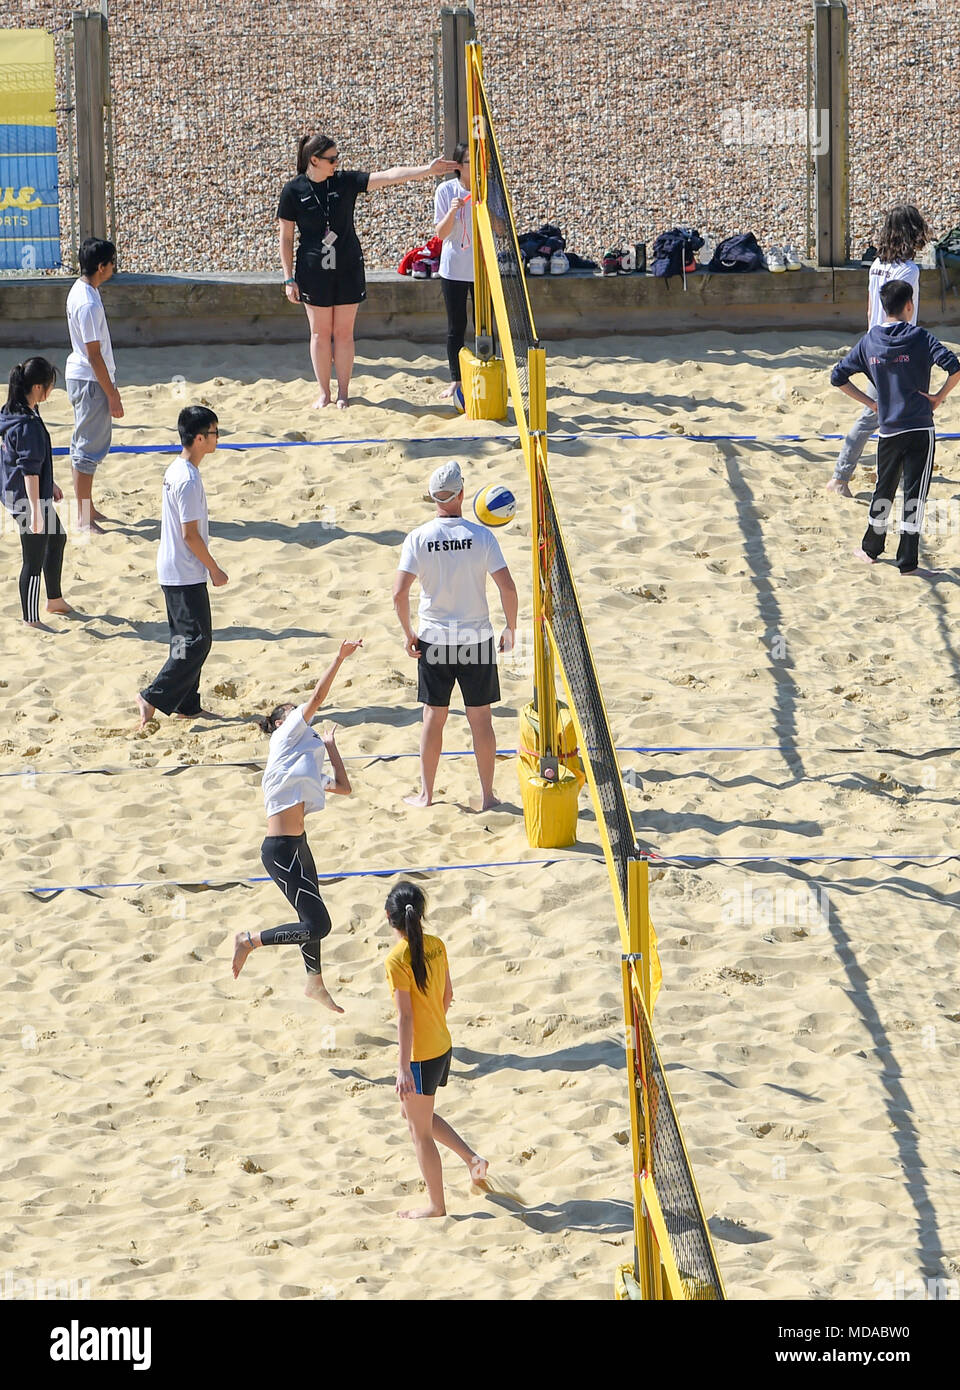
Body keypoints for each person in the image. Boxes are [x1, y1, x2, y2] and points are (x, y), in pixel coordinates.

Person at [277, 131, 457, 409]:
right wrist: (288, 278)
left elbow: (388, 176)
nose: (337, 162)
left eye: (338, 157)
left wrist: (427, 170)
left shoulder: (345, 182)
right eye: (332, 158)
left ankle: (343, 394)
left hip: (347, 266)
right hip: (312, 269)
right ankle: (324, 392)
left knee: (344, 333)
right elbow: (286, 237)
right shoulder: (293, 190)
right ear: (314, 160)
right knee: (319, 333)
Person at [231, 640, 362, 1012]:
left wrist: (333, 745)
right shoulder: (284, 739)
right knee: (319, 925)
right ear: (277, 723)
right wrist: (339, 659)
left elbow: (343, 787)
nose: (298, 713)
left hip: (298, 845)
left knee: (311, 919)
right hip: (280, 851)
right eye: (290, 711)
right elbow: (318, 697)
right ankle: (249, 940)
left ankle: (314, 982)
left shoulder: (302, 761)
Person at [393, 461, 517, 811]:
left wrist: (408, 633)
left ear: (433, 497)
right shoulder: (482, 536)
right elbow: (508, 588)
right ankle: (489, 796)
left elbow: (398, 594)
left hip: (435, 639)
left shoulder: (418, 538)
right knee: (481, 720)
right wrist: (511, 627)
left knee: (434, 718)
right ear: (463, 494)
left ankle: (427, 795)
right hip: (475, 638)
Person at [830, 278, 960, 574]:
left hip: (888, 428)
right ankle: (907, 562)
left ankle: (870, 549)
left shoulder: (870, 341)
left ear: (881, 306)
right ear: (909, 306)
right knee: (915, 494)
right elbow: (954, 367)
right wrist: (939, 397)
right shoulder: (920, 337)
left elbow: (837, 377)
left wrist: (872, 403)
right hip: (919, 427)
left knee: (883, 489)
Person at [383, 880, 488, 1218]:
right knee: (414, 1115)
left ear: (389, 917)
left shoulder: (396, 959)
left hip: (420, 1056)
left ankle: (436, 1206)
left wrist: (402, 1068)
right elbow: (447, 997)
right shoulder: (437, 945)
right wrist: (434, 1027)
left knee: (419, 1132)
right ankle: (473, 1160)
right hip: (443, 1046)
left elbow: (405, 1017)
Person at [827, 204, 931, 498]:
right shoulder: (908, 270)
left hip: (875, 341)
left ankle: (886, 471)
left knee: (888, 412)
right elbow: (903, 312)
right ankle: (839, 477)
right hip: (897, 347)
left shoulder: (875, 264)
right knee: (874, 414)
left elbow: (872, 309)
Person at [136, 406, 227, 728]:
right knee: (198, 640)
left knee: (183, 639)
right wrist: (214, 569)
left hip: (175, 567)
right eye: (214, 433)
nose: (218, 438)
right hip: (184, 569)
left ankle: (188, 704)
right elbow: (190, 535)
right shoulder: (187, 479)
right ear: (200, 438)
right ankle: (153, 695)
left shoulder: (179, 469)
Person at [0, 358, 70, 628]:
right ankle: (31, 618)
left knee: (58, 538)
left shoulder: (15, 409)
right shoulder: (27, 424)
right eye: (51, 385)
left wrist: (48, 484)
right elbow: (29, 470)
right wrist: (36, 513)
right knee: (33, 558)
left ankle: (54, 600)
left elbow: (24, 460)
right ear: (39, 387)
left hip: (27, 493)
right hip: (26, 500)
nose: (53, 390)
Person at [65, 237, 124, 531]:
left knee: (83, 447)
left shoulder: (83, 289)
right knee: (87, 451)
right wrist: (111, 393)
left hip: (84, 376)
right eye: (112, 262)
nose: (114, 267)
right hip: (89, 380)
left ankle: (87, 509)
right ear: (101, 267)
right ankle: (83, 517)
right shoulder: (87, 302)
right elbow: (94, 354)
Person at [434, 141, 473, 401]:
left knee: (486, 325)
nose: (478, 166)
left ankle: (489, 371)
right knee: (456, 326)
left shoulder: (490, 189)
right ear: (459, 166)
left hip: (481, 269)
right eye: (471, 161)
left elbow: (502, 229)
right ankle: (456, 380)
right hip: (453, 268)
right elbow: (440, 233)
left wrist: (486, 209)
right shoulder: (446, 190)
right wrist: (453, 211)